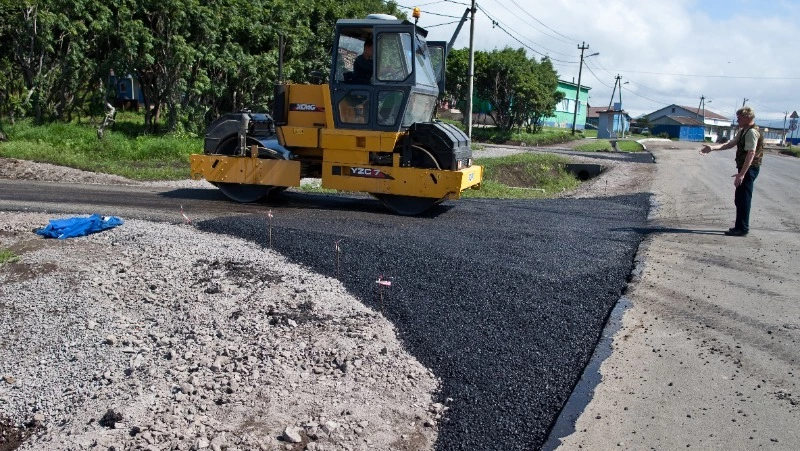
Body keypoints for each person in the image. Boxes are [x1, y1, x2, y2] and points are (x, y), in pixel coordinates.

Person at [700, 106, 764, 236]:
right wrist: (712, 148)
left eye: (740, 117)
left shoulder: (752, 132)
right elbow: (729, 144)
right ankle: (739, 226)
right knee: (739, 198)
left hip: (749, 168)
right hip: (745, 168)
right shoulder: (743, 131)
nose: (738, 119)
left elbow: (751, 154)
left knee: (744, 198)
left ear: (748, 118)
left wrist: (742, 174)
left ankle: (742, 229)